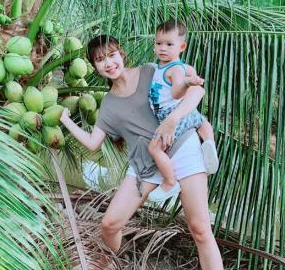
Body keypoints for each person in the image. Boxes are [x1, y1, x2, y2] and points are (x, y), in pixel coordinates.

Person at [59, 35, 223, 269]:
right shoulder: (107, 105)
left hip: (182, 148)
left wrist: (172, 120)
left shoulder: (149, 72)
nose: (108, 63)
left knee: (200, 229)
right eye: (100, 60)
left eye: (112, 55)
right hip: (145, 165)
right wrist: (66, 121)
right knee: (109, 224)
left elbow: (196, 90)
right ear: (94, 67)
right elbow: (94, 143)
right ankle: (106, 263)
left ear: (122, 54)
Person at [146, 19, 219, 202]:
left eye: (169, 44)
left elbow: (177, 93)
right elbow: (187, 70)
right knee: (201, 122)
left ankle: (170, 182)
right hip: (184, 113)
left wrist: (186, 82)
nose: (163, 48)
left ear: (182, 46)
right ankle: (209, 143)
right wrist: (192, 75)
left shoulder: (174, 70)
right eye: (159, 43)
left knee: (154, 149)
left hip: (171, 116)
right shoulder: (170, 66)